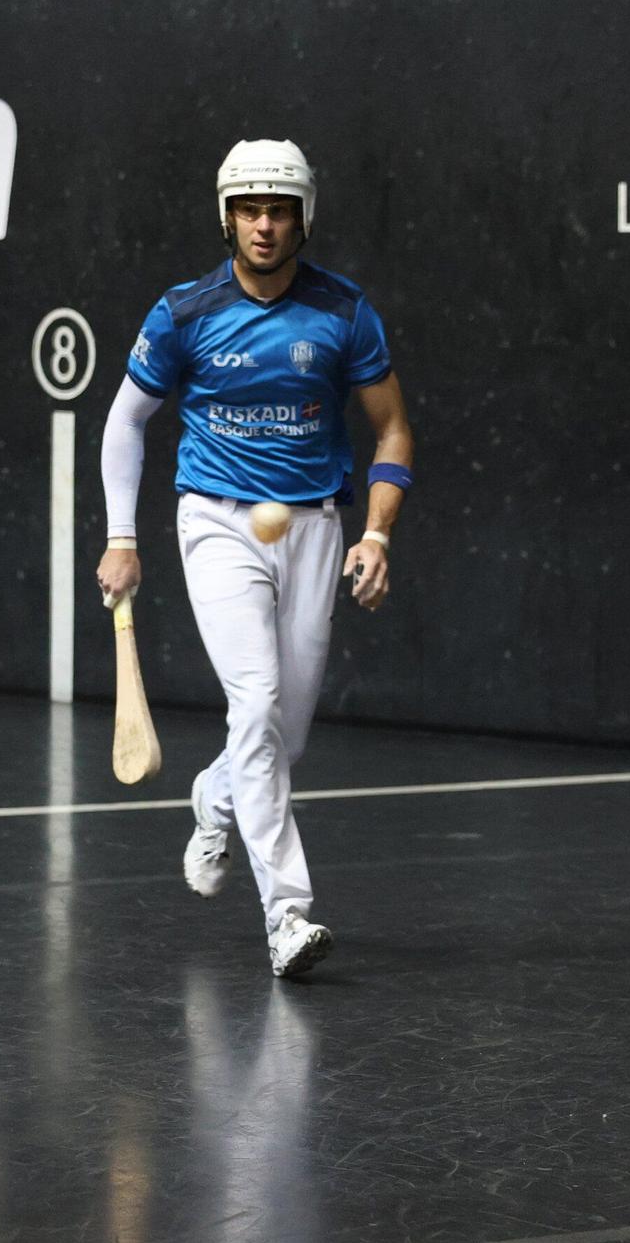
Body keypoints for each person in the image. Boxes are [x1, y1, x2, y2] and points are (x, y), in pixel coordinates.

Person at [95, 140, 415, 978]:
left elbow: (391, 430)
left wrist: (376, 532)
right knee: (259, 698)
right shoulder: (184, 312)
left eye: (278, 209)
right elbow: (126, 421)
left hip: (314, 527)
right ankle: (288, 914)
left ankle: (216, 793)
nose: (263, 224)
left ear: (302, 217)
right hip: (217, 523)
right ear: (226, 215)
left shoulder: (345, 313)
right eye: (248, 209)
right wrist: (122, 537)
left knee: (283, 733)